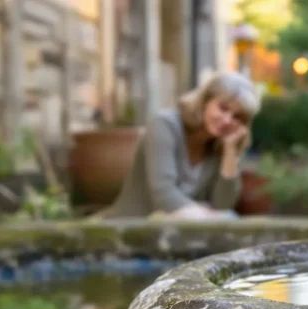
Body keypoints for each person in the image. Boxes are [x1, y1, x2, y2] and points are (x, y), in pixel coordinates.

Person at [99, 71, 260, 220]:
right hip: (134, 234)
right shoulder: (164, 124)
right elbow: (164, 195)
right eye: (223, 108)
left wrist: (230, 151)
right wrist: (209, 216)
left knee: (229, 219)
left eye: (236, 117)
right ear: (205, 101)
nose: (226, 120)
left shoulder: (218, 145)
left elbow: (223, 205)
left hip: (182, 241)